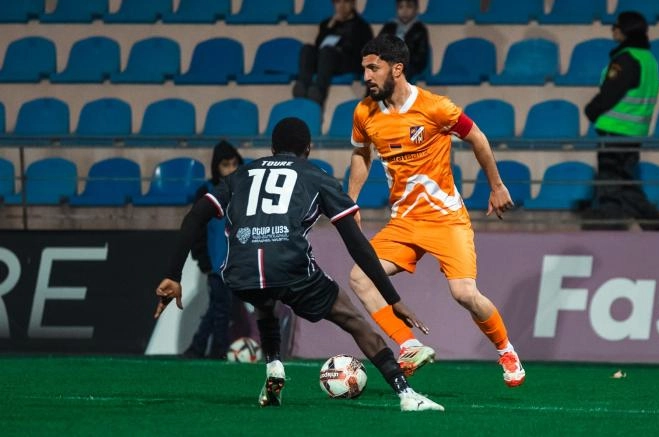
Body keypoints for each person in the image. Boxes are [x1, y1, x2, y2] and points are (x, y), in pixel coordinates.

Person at [154, 117, 444, 411]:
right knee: (353, 320)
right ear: (308, 149)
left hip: (240, 272)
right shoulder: (316, 177)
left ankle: (274, 368)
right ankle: (406, 393)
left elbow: (195, 217)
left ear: (272, 148)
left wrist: (172, 275)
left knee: (264, 298)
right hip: (290, 267)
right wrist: (392, 299)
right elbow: (356, 244)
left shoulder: (240, 175)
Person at [347, 34, 526, 387]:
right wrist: (351, 200)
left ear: (396, 69)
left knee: (464, 294)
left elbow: (477, 137)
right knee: (359, 278)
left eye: (373, 68)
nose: (366, 76)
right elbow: (361, 154)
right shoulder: (365, 112)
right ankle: (409, 345)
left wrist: (496, 186)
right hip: (403, 222)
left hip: (446, 220)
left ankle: (505, 349)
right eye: (364, 69)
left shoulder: (435, 107)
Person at [583, 11, 659, 231]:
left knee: (611, 184)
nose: (613, 29)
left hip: (615, 131)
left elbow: (611, 92)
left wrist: (591, 110)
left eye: (617, 26)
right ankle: (654, 225)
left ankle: (612, 229)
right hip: (634, 131)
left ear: (626, 31)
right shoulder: (649, 60)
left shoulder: (626, 59)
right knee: (623, 183)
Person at [183, 141, 246, 359]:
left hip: (236, 263)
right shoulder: (206, 192)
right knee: (222, 309)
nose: (231, 169)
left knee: (218, 308)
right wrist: (203, 259)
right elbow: (197, 228)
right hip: (216, 263)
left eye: (234, 164)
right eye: (225, 165)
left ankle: (197, 348)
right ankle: (218, 350)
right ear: (216, 167)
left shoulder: (244, 191)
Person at [292, 0, 373, 106]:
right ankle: (302, 86)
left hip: (347, 62)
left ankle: (318, 92)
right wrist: (330, 26)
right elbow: (318, 45)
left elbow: (364, 52)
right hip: (325, 61)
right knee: (307, 48)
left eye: (346, 2)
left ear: (352, 4)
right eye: (338, 2)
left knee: (327, 51)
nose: (342, 6)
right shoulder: (327, 24)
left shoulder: (362, 26)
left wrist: (343, 44)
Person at [378, 0, 429, 83]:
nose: (404, 11)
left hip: (409, 64)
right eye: (401, 7)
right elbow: (379, 45)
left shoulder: (420, 30)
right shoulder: (389, 27)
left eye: (409, 7)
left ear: (416, 9)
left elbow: (421, 56)